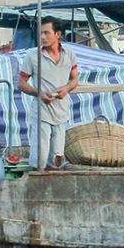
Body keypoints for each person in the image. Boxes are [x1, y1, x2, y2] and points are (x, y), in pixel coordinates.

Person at [17, 16, 79, 169]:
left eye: (46, 33)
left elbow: (75, 79)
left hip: (61, 114)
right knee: (40, 158)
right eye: (41, 33)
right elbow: (21, 83)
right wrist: (39, 93)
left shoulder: (69, 54)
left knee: (57, 158)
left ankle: (50, 186)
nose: (43, 37)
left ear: (57, 34)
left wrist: (66, 89)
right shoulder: (33, 56)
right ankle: (36, 185)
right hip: (41, 114)